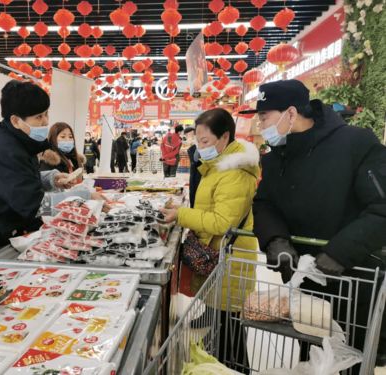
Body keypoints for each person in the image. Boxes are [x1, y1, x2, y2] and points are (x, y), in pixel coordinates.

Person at [242, 79, 386, 369]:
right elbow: (264, 203)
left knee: (349, 360)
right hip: (305, 280)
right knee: (310, 355)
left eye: (264, 116)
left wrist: (340, 252)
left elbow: (381, 207)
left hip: (354, 282)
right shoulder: (275, 157)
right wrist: (275, 239)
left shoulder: (357, 143)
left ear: (291, 114)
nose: (260, 125)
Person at [160, 109, 260, 372]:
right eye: (197, 140)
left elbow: (221, 222)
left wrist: (181, 215)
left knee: (230, 335)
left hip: (230, 260)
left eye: (205, 142)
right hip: (221, 258)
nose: (199, 147)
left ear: (224, 136)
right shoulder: (219, 164)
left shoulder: (235, 171)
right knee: (222, 329)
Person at [0, 81, 86, 265]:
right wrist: (81, 198)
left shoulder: (20, 140)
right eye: (39, 117)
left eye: (46, 114)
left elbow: (20, 179)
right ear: (16, 120)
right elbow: (35, 205)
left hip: (14, 232)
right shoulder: (4, 150)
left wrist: (52, 179)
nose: (46, 121)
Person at [183, 127, 201, 208]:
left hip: (199, 173)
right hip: (195, 172)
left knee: (196, 195)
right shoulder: (195, 144)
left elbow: (196, 159)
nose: (187, 136)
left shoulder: (199, 144)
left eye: (188, 134)